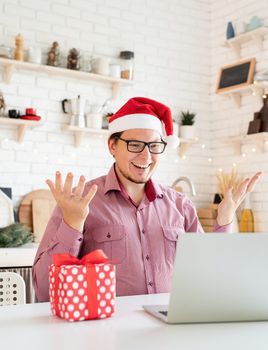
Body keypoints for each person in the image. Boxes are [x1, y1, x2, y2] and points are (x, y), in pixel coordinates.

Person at [32, 97, 261, 302]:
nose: (146, 156)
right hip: (107, 333)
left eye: (154, 146)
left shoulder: (180, 206)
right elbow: (44, 290)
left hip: (169, 330)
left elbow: (211, 277)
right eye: (134, 145)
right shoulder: (79, 202)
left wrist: (225, 220)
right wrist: (72, 224)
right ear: (113, 145)